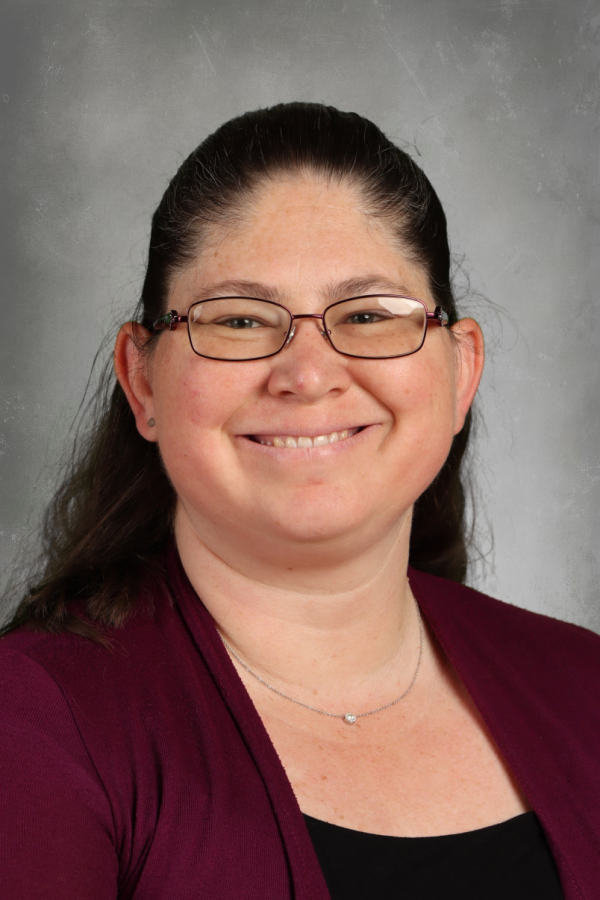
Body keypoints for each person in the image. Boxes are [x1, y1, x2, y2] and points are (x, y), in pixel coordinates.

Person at [0, 102, 597, 900]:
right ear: (143, 380)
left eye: (368, 316)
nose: (308, 373)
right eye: (240, 319)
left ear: (461, 373)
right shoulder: (33, 724)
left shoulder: (584, 687)